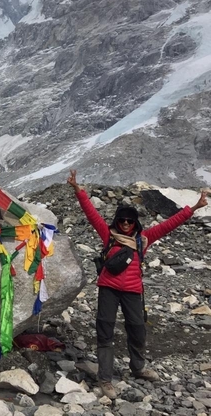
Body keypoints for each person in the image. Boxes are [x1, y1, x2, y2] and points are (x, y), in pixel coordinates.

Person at [67, 169, 207, 399]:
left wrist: (194, 207)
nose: (124, 223)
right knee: (105, 330)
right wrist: (78, 190)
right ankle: (105, 378)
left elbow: (169, 224)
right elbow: (92, 214)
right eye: (121, 220)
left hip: (133, 291)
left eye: (129, 221)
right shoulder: (108, 235)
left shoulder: (143, 240)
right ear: (116, 221)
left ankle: (138, 367)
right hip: (108, 289)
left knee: (138, 329)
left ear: (135, 223)